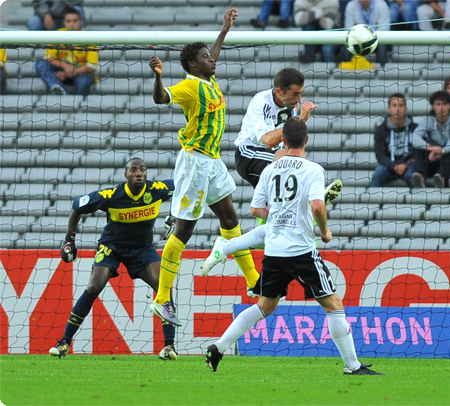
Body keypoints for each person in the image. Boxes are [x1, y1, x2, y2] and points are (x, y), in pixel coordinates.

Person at [204, 117, 383, 376]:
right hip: (301, 251)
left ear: (284, 141)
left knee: (264, 306)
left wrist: (278, 216)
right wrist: (324, 231)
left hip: (274, 252)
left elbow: (255, 209)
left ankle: (219, 347)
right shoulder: (313, 170)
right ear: (306, 139)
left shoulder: (270, 170)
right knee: (333, 304)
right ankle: (352, 366)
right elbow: (317, 206)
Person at [148, 8, 260, 327]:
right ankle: (162, 298)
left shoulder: (209, 80)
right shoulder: (189, 87)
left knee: (230, 218)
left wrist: (224, 30)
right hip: (194, 162)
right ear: (194, 65)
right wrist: (158, 77)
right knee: (184, 231)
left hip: (212, 160)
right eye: (206, 57)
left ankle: (254, 281)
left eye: (211, 56)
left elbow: (213, 54)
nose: (213, 59)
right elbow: (161, 99)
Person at [49, 158, 178, 360]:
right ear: (125, 175)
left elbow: (184, 188)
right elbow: (77, 206)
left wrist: (174, 215)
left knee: (164, 286)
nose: (139, 173)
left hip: (142, 249)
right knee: (94, 287)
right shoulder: (111, 195)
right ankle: (64, 342)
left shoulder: (157, 190)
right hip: (112, 247)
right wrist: (69, 239)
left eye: (143, 169)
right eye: (133, 170)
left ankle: (169, 347)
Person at [234, 67, 317, 188]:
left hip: (272, 154)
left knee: (296, 158)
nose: (299, 100)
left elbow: (287, 141)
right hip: (248, 154)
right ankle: (313, 194)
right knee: (288, 161)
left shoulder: (291, 106)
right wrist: (300, 120)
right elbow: (268, 141)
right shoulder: (262, 103)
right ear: (279, 91)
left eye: (300, 94)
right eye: (295, 94)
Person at [35, 8, 96, 96]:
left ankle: (77, 100)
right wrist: (65, 66)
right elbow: (48, 57)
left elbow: (91, 65)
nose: (72, 24)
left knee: (85, 79)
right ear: (64, 22)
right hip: (60, 71)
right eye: (69, 21)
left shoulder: (89, 37)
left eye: (75, 21)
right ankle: (58, 88)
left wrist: (68, 73)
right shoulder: (58, 34)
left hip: (80, 73)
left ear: (80, 21)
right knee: (41, 64)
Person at [411, 90, 450, 188]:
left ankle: (441, 178)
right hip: (433, 158)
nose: (441, 108)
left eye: (445, 104)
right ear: (433, 106)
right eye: (438, 104)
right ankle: (420, 177)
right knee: (419, 149)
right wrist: (431, 148)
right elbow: (414, 138)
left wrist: (443, 151)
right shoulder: (428, 120)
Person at [371, 92, 420, 188]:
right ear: (388, 108)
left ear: (406, 108)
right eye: (394, 105)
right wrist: (394, 166)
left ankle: (418, 197)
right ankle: (372, 197)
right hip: (389, 165)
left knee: (413, 177)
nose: (398, 108)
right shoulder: (381, 130)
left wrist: (413, 159)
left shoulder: (415, 128)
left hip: (409, 164)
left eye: (401, 105)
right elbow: (380, 155)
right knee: (377, 175)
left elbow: (420, 149)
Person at [339, 0, 390, 68]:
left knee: (382, 45)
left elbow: (384, 29)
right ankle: (347, 70)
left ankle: (382, 69)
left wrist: (360, 32)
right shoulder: (351, 6)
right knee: (347, 46)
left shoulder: (382, 5)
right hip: (357, 40)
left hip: (376, 40)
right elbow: (348, 29)